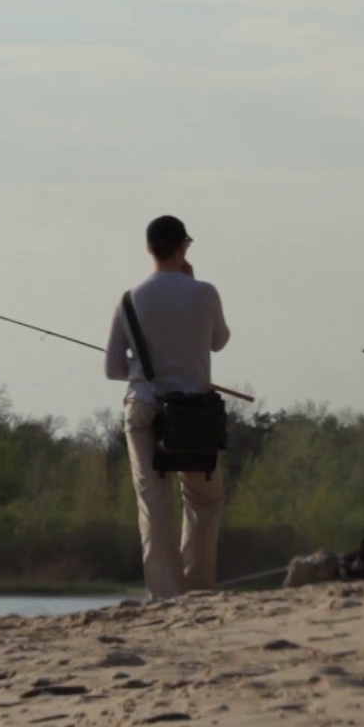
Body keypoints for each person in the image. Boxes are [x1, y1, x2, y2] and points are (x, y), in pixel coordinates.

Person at [105, 215, 232, 599]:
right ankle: (198, 587)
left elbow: (112, 369)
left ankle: (165, 594)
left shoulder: (129, 300)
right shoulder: (205, 293)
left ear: (150, 249)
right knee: (203, 500)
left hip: (145, 407)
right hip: (195, 414)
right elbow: (219, 341)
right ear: (183, 248)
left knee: (154, 503)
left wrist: (141, 368)